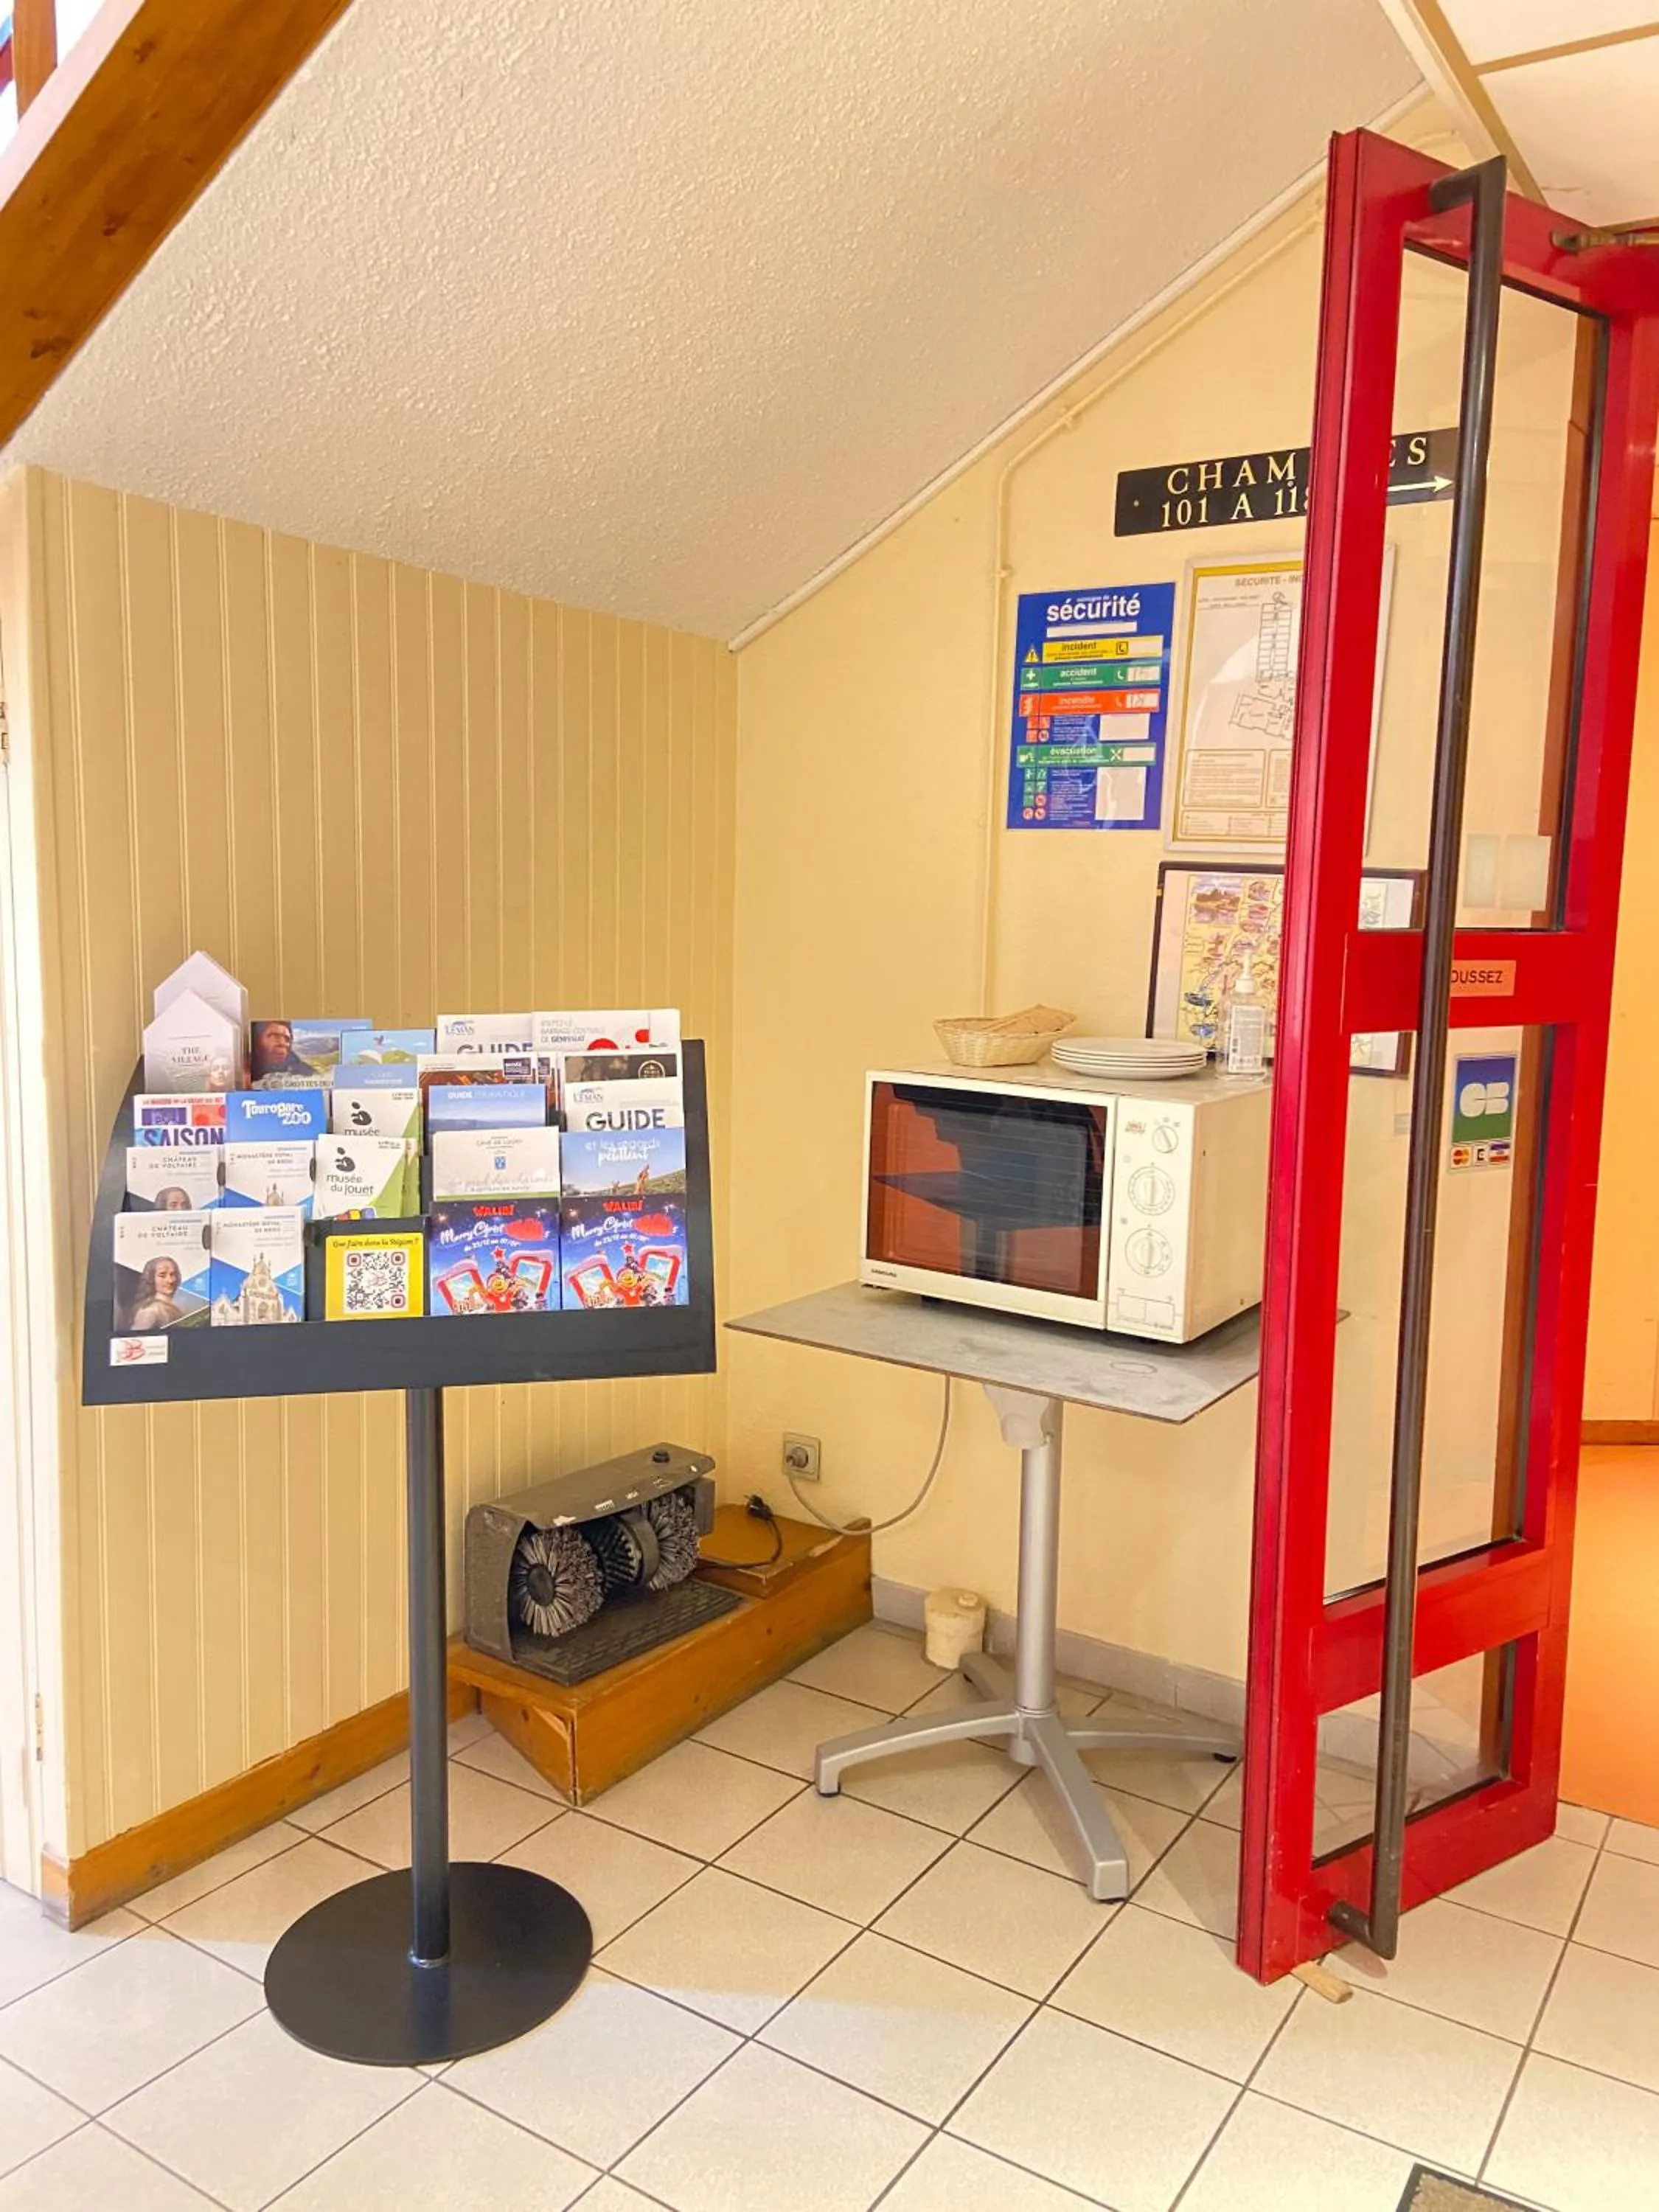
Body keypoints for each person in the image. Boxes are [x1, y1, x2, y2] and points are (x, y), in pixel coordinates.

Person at [122, 1256, 184, 1332]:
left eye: (172, 1274)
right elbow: (138, 1337)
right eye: (162, 1275)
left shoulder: (174, 1306)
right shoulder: (149, 1311)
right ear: (151, 1279)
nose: (170, 1280)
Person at [251, 1020, 317, 1080]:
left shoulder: (302, 1071)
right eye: (274, 1037)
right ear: (256, 1041)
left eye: (287, 1039)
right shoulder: (245, 1070)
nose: (283, 1044)